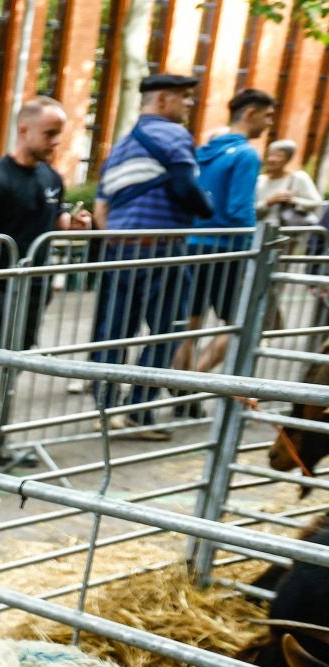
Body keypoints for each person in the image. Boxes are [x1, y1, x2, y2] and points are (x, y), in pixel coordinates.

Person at [0, 97, 93, 457]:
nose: (56, 141)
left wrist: (74, 224)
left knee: (10, 367)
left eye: (58, 133)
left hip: (33, 290)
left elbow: (52, 221)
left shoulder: (50, 177)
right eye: (50, 133)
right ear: (24, 130)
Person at [89, 71, 213, 432]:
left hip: (120, 251)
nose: (189, 103)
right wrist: (207, 207)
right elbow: (186, 188)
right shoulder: (173, 135)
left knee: (114, 332)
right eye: (183, 96)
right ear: (162, 100)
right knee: (167, 331)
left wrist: (119, 237)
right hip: (163, 251)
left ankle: (103, 408)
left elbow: (101, 209)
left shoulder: (120, 147)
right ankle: (139, 410)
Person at [186, 88, 276, 376]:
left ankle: (180, 384)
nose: (270, 123)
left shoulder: (203, 152)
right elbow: (240, 209)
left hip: (192, 243)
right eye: (268, 116)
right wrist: (253, 244)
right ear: (250, 113)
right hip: (228, 247)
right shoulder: (247, 155)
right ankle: (196, 379)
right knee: (242, 320)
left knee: (189, 321)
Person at [258, 139, 323, 227]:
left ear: (288, 159)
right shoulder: (260, 180)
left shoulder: (298, 178)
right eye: (270, 155)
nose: (272, 159)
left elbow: (317, 203)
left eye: (279, 156)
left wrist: (293, 201)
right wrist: (268, 202)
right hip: (261, 229)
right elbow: (250, 209)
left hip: (288, 231)